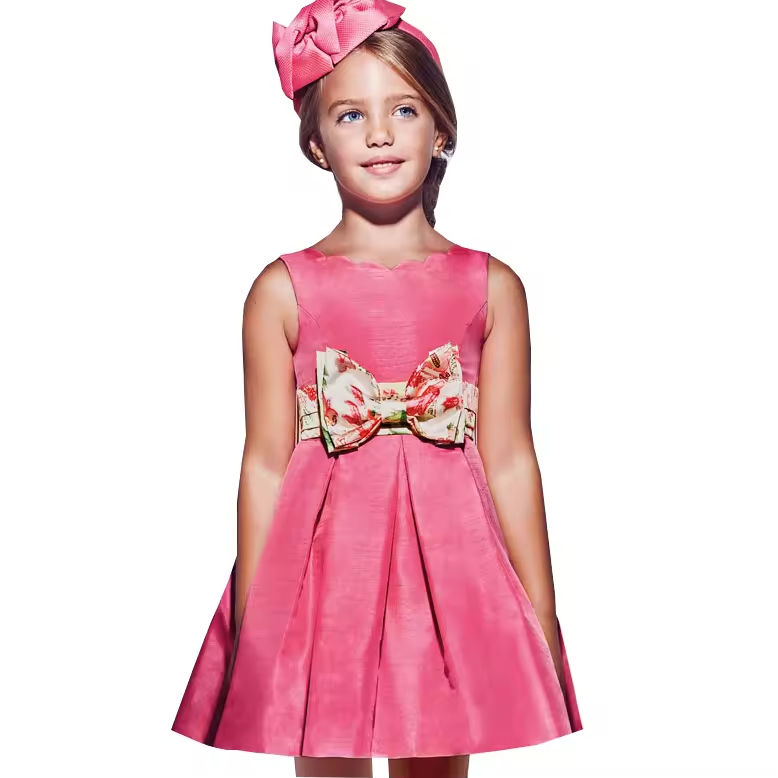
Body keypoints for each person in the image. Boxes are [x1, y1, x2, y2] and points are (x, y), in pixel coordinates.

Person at [171, 2, 583, 776]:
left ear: (442, 130)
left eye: (404, 109)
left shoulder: (492, 287)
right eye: (351, 114)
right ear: (316, 143)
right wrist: (258, 620)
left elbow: (511, 461)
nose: (381, 133)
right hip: (326, 576)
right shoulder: (280, 290)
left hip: (450, 581)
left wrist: (542, 609)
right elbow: (264, 465)